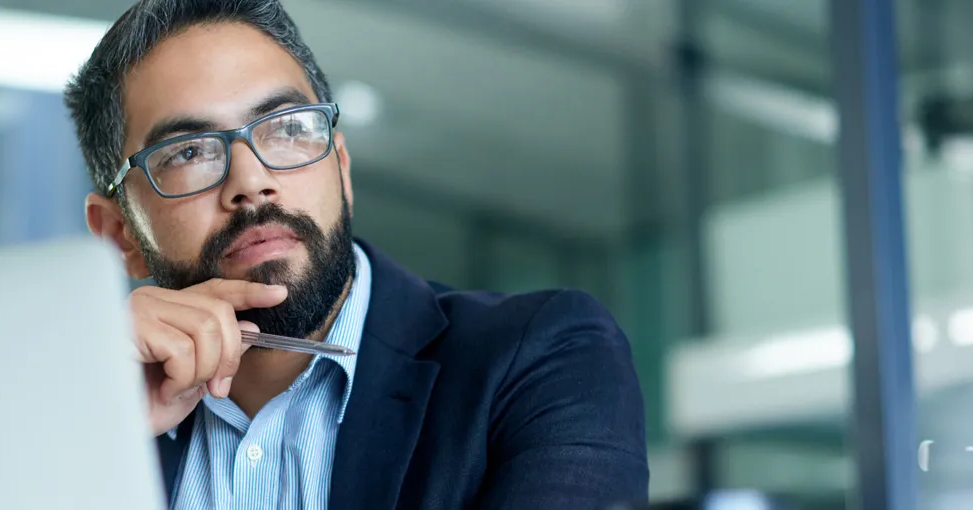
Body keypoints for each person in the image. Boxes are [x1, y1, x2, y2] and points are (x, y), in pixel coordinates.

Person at [63, 0, 648, 507]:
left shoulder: (541, 357)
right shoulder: (78, 425)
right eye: (189, 151)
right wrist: (89, 432)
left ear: (340, 168)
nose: (252, 180)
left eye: (287, 127)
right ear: (120, 234)